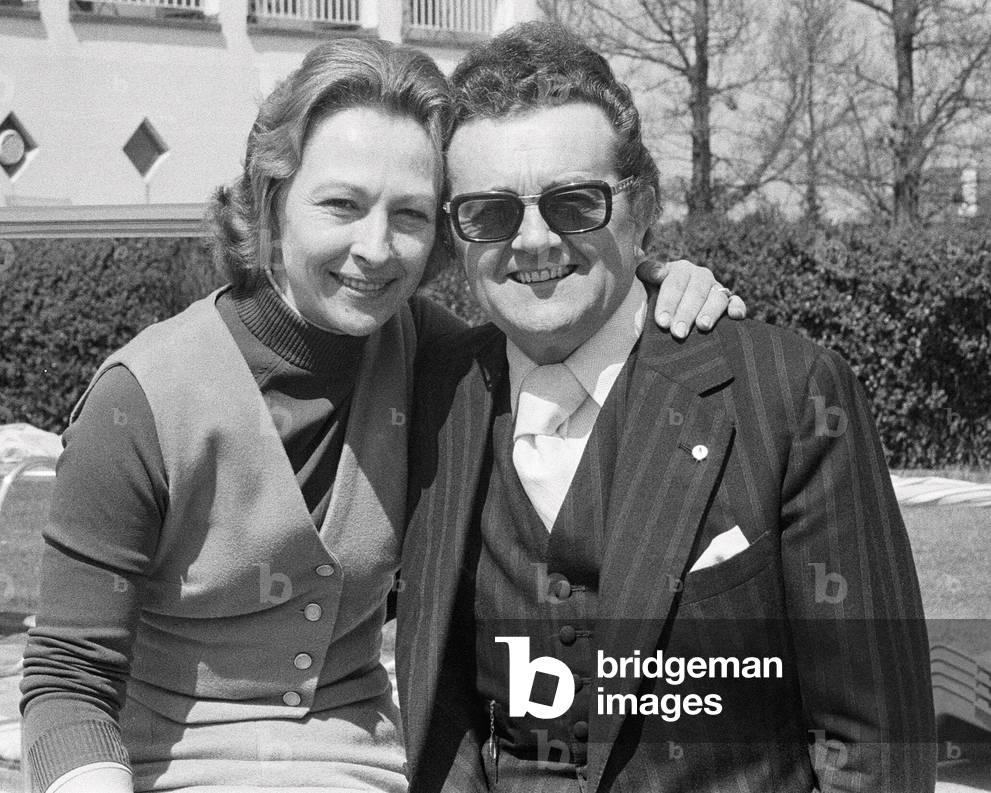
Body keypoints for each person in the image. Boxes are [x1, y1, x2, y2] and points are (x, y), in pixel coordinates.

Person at [19, 37, 741, 793]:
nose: (374, 248)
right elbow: (68, 676)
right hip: (166, 771)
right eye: (341, 204)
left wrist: (653, 284)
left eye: (410, 215)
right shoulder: (140, 399)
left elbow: (572, 327)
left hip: (375, 773)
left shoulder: (435, 357)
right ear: (272, 200)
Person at [395, 21, 937, 793]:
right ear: (456, 232)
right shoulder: (430, 394)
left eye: (575, 202)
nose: (535, 240)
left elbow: (873, 737)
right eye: (490, 213)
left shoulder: (787, 392)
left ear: (640, 204)